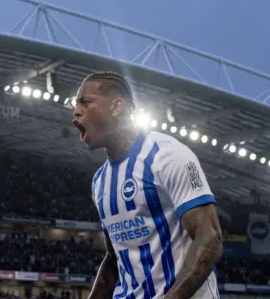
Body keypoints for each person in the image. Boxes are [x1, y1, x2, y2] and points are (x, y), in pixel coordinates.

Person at [72, 72, 223, 299]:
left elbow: (209, 237)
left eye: (85, 102)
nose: (76, 111)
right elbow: (115, 258)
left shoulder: (169, 155)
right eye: (75, 104)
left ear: (116, 106)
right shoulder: (100, 182)